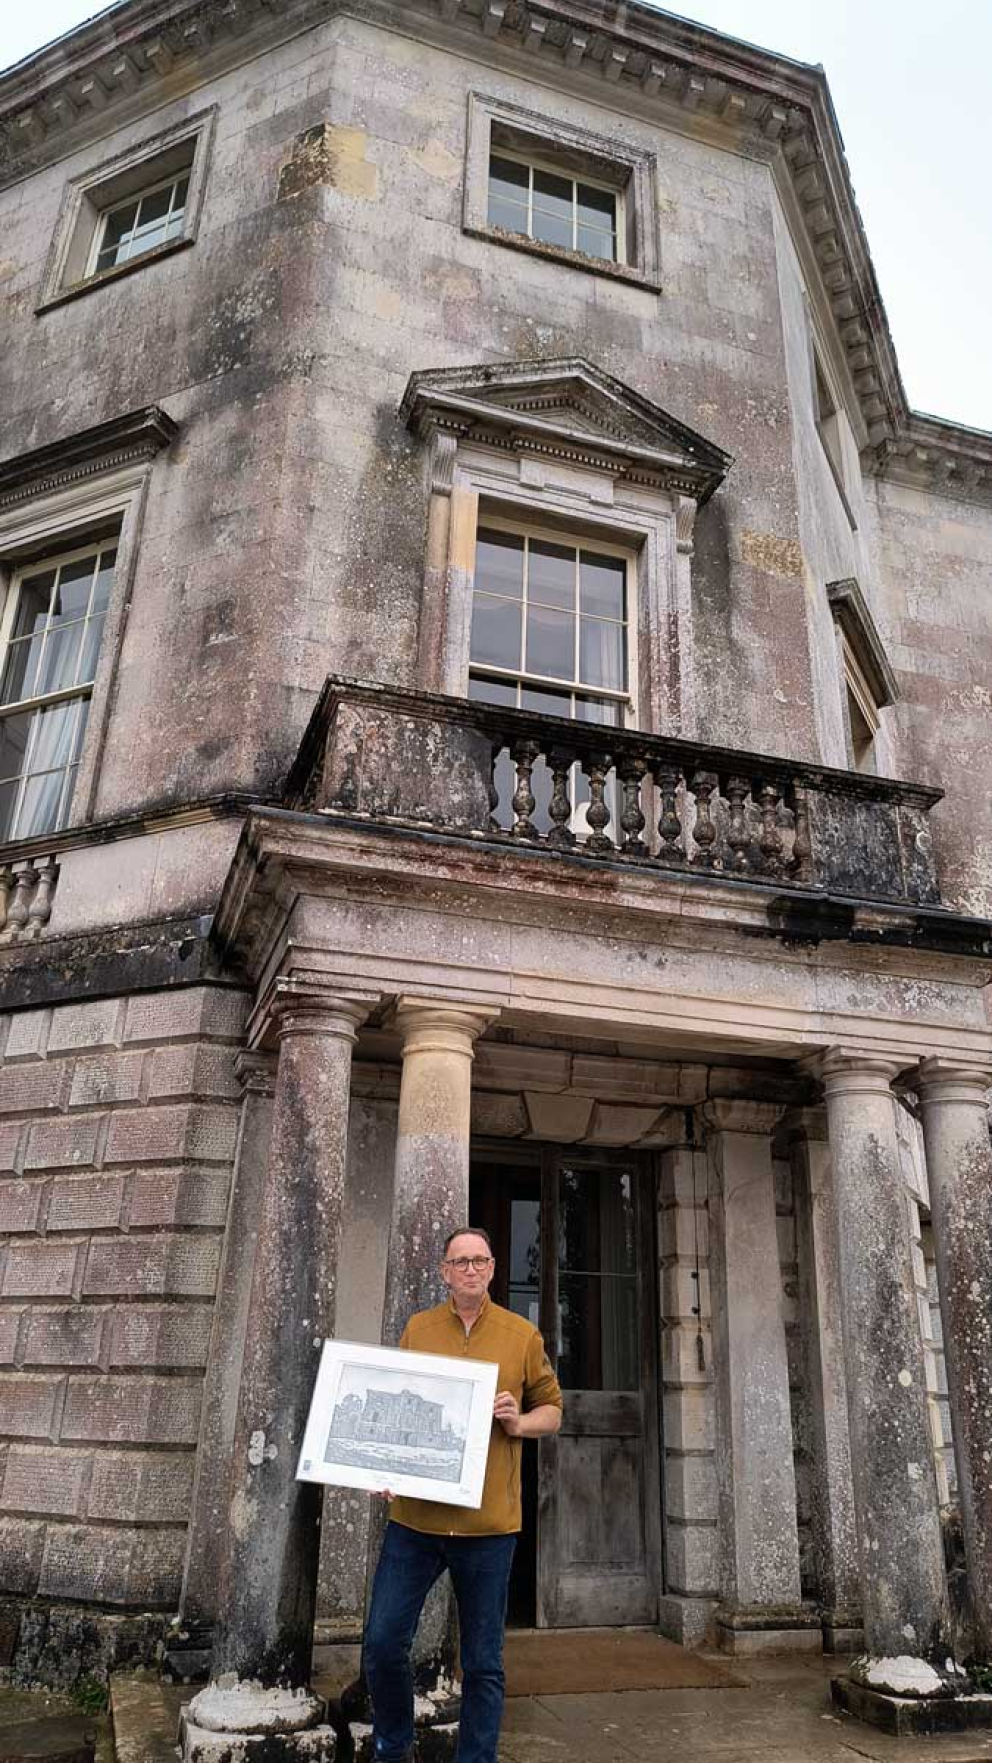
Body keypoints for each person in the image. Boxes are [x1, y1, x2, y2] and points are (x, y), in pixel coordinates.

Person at [363, 1226, 563, 1763]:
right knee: (382, 1645)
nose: (470, 1270)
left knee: (482, 1663)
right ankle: (393, 1748)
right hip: (416, 1522)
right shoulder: (419, 1328)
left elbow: (553, 1408)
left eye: (479, 1260)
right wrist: (385, 1465)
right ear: (444, 1272)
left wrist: (518, 1423)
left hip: (488, 1526)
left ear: (493, 1268)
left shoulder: (522, 1335)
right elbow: (394, 1401)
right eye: (459, 1261)